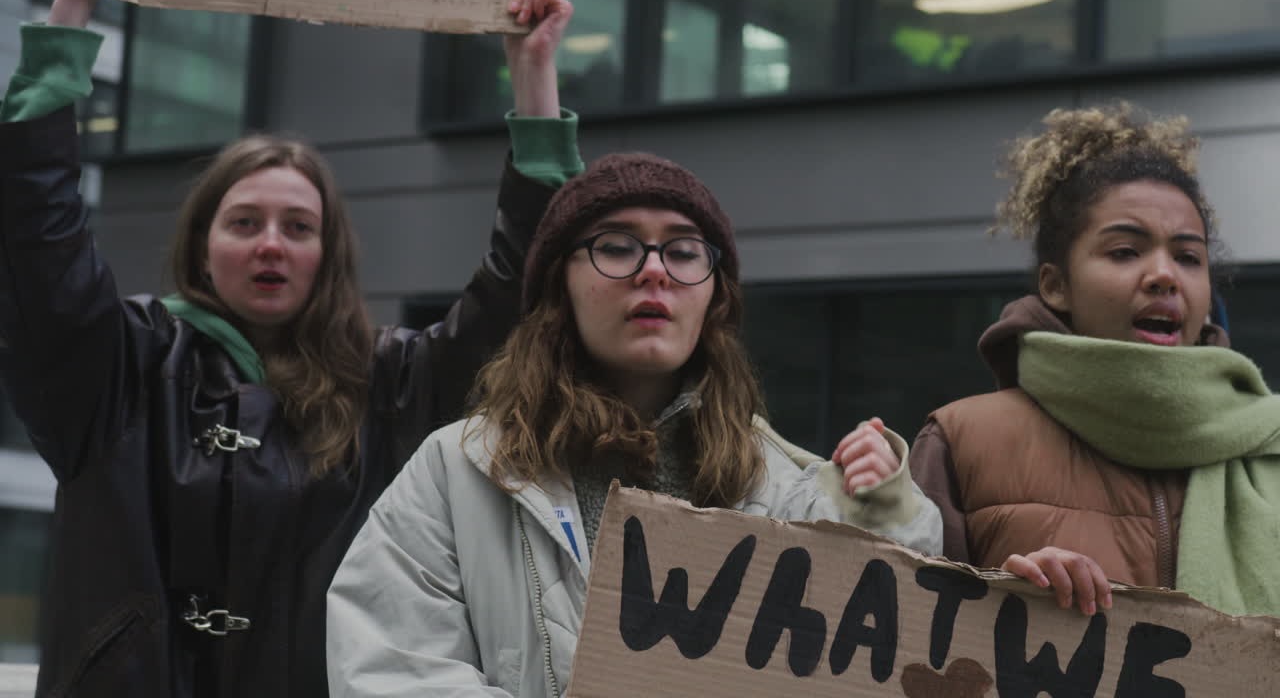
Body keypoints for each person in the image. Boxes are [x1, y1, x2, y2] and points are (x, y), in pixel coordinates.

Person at [0, 0, 582, 695]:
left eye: (298, 227)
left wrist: (533, 72)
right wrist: (72, 11)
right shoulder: (119, 364)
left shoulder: (393, 384)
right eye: (245, 222)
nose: (271, 244)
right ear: (202, 243)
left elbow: (522, 288)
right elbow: (36, 234)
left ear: (327, 251)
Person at [326, 152, 943, 697]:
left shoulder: (785, 489)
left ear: (714, 294)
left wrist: (884, 513)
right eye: (616, 246)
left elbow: (891, 660)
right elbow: (390, 667)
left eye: (682, 250)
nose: (654, 270)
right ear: (557, 288)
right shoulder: (456, 472)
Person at [911, 102, 1280, 617]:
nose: (1164, 275)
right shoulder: (963, 439)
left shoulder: (1271, 444)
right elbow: (895, 643)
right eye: (1125, 251)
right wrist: (1001, 595)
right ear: (1056, 286)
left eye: (1189, 257)